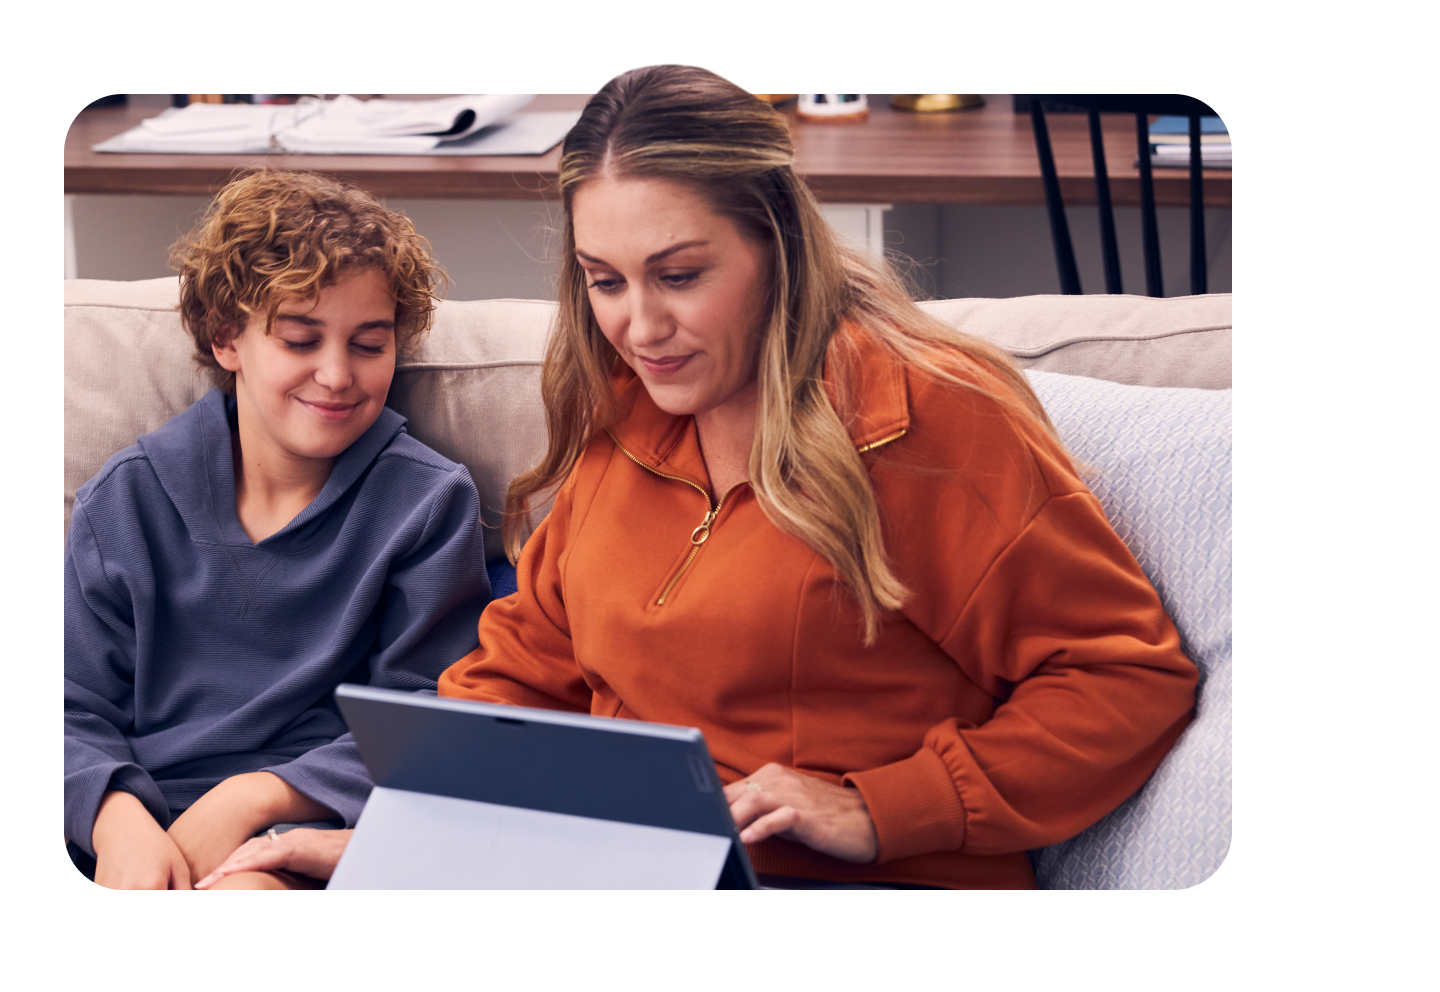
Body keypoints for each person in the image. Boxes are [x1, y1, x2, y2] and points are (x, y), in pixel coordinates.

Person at [202, 67, 1198, 890]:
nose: (640, 325)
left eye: (679, 274)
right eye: (606, 280)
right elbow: (527, 665)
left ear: (776, 244)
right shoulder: (628, 411)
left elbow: (1125, 677)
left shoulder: (927, 418)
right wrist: (413, 835)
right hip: (603, 873)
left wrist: (880, 805)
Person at [64, 169, 492, 890]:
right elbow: (63, 705)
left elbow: (427, 713)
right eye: (300, 339)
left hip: (299, 832)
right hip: (123, 826)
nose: (336, 375)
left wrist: (253, 796)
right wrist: (117, 820)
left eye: (368, 344)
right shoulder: (127, 498)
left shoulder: (426, 503)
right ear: (228, 339)